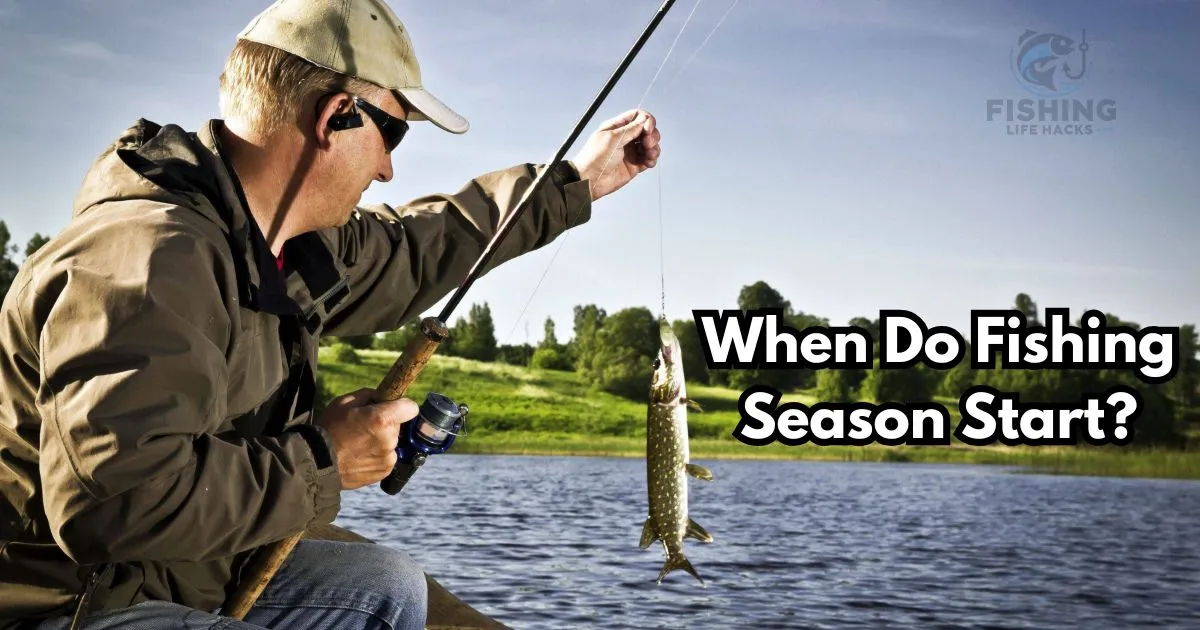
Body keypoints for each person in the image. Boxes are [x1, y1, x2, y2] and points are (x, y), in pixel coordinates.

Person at [0, 0, 661, 628]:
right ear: (335, 116)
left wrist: (579, 181)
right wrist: (323, 456)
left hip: (186, 579)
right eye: (391, 133)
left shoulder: (282, 247)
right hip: (77, 607)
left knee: (385, 585)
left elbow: (422, 244)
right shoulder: (151, 258)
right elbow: (111, 504)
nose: (387, 169)